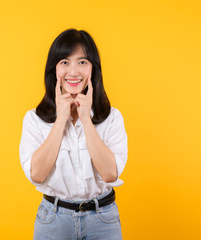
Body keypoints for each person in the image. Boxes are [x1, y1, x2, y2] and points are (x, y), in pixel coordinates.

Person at [19, 28, 128, 240]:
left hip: (103, 219)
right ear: (54, 70)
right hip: (53, 220)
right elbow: (37, 174)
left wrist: (86, 119)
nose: (73, 72)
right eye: (65, 62)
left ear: (93, 69)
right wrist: (60, 120)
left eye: (82, 62)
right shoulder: (34, 119)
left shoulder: (112, 117)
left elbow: (110, 174)